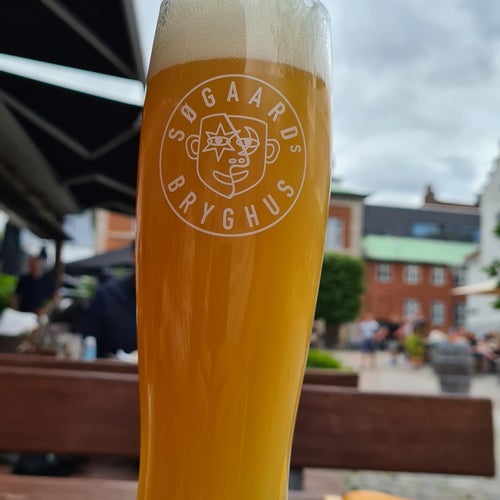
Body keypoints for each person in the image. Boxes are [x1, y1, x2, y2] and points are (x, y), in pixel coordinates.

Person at [79, 256, 136, 358]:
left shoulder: (164, 299)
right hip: (109, 364)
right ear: (134, 256)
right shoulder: (108, 294)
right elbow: (89, 338)